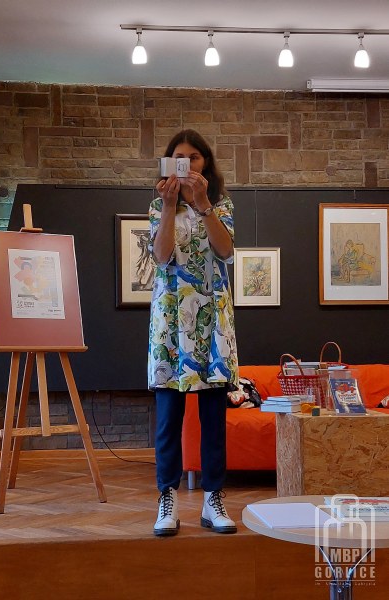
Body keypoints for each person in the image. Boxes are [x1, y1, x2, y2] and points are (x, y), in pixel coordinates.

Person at [147, 129, 240, 537]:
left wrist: (203, 205)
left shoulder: (222, 205)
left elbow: (226, 251)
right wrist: (170, 207)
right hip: (170, 322)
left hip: (212, 322)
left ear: (205, 163)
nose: (187, 164)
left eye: (194, 157)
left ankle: (212, 498)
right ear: (169, 163)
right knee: (168, 418)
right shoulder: (157, 206)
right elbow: (162, 256)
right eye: (179, 157)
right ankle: (167, 498)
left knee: (213, 419)